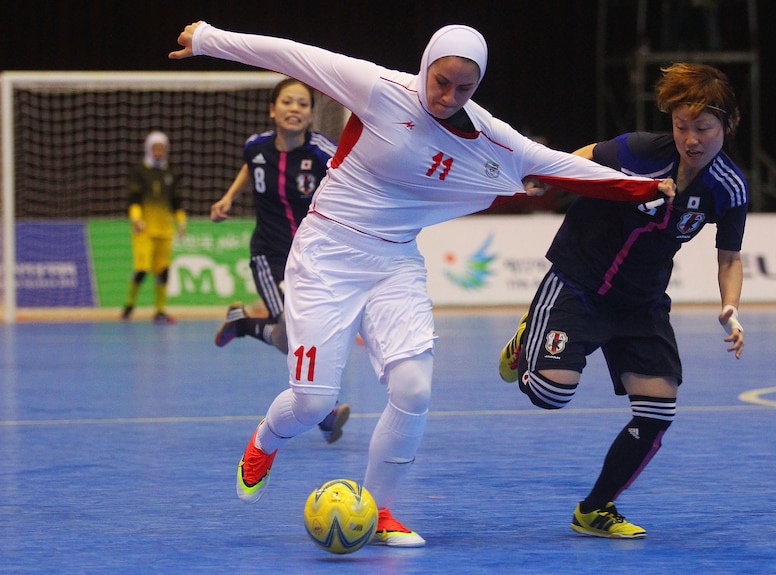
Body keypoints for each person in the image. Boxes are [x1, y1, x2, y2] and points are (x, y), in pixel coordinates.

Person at [170, 21, 675, 548]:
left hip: (395, 262)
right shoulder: (379, 89)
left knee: (413, 390)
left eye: (464, 88)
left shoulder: (489, 136)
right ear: (425, 65)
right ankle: (265, 440)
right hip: (327, 254)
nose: (448, 96)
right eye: (441, 81)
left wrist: (643, 189)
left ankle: (380, 509)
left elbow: (563, 168)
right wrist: (208, 39)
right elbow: (295, 56)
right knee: (314, 403)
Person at [498, 62, 747, 539]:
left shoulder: (728, 186)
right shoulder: (638, 150)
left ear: (728, 125)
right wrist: (548, 180)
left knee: (659, 410)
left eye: (704, 128)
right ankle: (527, 340)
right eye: (681, 126)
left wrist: (730, 308)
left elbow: (729, 256)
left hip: (641, 301)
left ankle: (594, 510)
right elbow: (578, 158)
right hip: (579, 280)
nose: (691, 139)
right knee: (551, 393)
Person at [211, 78, 349, 444]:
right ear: (273, 110)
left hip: (310, 258)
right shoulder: (255, 146)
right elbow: (249, 166)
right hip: (268, 257)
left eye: (303, 104)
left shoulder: (323, 152)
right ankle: (324, 410)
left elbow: (349, 183)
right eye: (287, 102)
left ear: (310, 114)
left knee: (306, 333)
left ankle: (241, 325)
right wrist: (227, 198)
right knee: (293, 337)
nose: (295, 109)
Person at [121, 130, 186, 324]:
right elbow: (133, 199)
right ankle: (129, 304)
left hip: (165, 230)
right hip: (144, 230)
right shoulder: (139, 171)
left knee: (163, 271)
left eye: (161, 148)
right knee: (141, 268)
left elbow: (176, 202)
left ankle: (159, 310)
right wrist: (136, 219)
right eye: (155, 148)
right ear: (148, 149)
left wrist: (181, 221)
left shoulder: (170, 173)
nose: (158, 151)